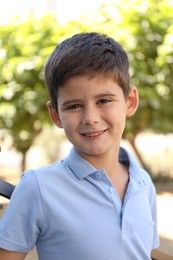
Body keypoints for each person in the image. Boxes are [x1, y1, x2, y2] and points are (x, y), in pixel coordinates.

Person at [0, 32, 159, 259]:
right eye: (74, 106)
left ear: (130, 101)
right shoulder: (38, 187)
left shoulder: (143, 183)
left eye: (103, 100)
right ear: (55, 114)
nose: (90, 118)